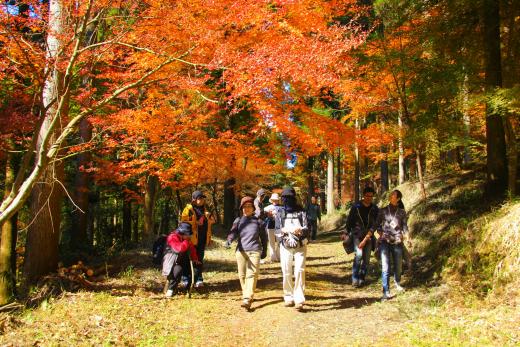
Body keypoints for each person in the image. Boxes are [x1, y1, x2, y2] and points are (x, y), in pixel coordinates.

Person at [226, 196, 268, 310]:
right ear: (241, 208)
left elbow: (264, 238)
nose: (247, 208)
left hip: (254, 250)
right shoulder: (238, 221)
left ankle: (247, 298)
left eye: (249, 206)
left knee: (251, 275)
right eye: (244, 207)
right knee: (242, 275)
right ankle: (247, 294)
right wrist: (229, 240)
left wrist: (265, 250)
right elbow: (233, 233)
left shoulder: (259, 222)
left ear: (253, 208)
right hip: (240, 251)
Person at [275, 187, 309, 311]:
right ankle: (288, 296)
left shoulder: (301, 211)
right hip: (285, 246)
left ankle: (299, 298)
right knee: (286, 271)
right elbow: (277, 229)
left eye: (289, 198)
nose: (287, 200)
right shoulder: (280, 212)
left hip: (300, 245)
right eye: (285, 198)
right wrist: (283, 232)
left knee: (300, 270)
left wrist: (300, 230)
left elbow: (307, 227)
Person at [375, 189, 409, 301]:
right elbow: (377, 224)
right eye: (390, 195)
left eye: (393, 195)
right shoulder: (383, 210)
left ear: (398, 199)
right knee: (386, 266)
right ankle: (386, 292)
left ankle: (397, 282)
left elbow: (405, 227)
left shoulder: (402, 212)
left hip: (398, 241)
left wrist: (408, 237)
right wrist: (380, 233)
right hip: (385, 241)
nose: (391, 196)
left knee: (398, 265)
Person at [341, 187, 378, 287]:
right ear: (363, 195)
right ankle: (354, 279)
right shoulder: (356, 207)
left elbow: (377, 223)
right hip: (357, 235)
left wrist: (381, 232)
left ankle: (362, 277)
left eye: (371, 196)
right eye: (367, 196)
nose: (369, 198)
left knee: (366, 259)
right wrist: (345, 232)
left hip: (369, 236)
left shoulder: (375, 208)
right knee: (358, 255)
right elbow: (350, 221)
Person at [180, 190, 214, 288]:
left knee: (199, 260)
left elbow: (212, 221)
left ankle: (198, 279)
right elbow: (184, 223)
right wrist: (196, 223)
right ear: (194, 199)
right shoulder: (188, 209)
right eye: (199, 198)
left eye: (202, 198)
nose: (202, 200)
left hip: (202, 240)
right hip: (191, 240)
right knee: (187, 259)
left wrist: (209, 216)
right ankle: (186, 279)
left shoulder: (205, 210)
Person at [162, 222, 201, 297]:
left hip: (183, 261)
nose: (189, 236)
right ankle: (171, 289)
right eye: (188, 234)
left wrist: (195, 259)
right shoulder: (172, 237)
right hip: (172, 263)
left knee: (197, 267)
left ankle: (189, 288)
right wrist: (186, 241)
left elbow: (192, 250)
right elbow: (179, 249)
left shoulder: (186, 239)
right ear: (182, 233)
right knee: (178, 269)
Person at [263, 193, 282, 262]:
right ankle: (273, 257)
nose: (275, 201)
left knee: (280, 242)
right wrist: (268, 214)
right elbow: (263, 212)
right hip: (270, 226)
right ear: (271, 200)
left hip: (279, 227)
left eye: (276, 200)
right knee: (271, 242)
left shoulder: (282, 208)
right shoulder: (268, 207)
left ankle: (278, 256)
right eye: (273, 200)